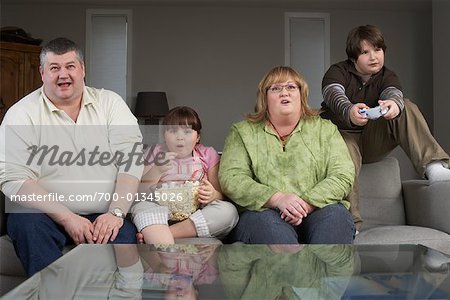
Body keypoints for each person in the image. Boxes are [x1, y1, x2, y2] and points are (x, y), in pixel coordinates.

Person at [0, 37, 143, 277]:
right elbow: (12, 177)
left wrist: (116, 213)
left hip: (104, 213)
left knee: (123, 237)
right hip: (43, 215)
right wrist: (67, 217)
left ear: (83, 70)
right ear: (42, 73)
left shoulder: (110, 103)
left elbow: (131, 160)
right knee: (27, 225)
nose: (63, 74)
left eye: (70, 66)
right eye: (54, 68)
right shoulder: (21, 114)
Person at [320, 24, 450, 230]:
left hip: (374, 141)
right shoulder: (337, 72)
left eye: (378, 50)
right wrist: (349, 110)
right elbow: (333, 95)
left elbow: (393, 93)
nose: (374, 57)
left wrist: (393, 106)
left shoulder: (388, 76)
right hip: (343, 136)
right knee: (344, 147)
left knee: (405, 105)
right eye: (365, 52)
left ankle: (434, 165)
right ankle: (350, 224)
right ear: (354, 57)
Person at [219, 66, 355, 244]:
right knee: (269, 229)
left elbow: (342, 175)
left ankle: (323, 273)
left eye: (291, 87)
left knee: (336, 217)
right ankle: (295, 270)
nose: (284, 93)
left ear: (301, 94)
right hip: (263, 215)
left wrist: (305, 204)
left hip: (318, 209)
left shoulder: (325, 129)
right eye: (275, 88)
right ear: (264, 97)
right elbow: (231, 178)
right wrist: (277, 198)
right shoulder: (242, 132)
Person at [130, 106, 238, 244]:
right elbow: (139, 193)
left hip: (196, 217)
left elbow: (220, 194)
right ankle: (159, 232)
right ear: (164, 135)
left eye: (187, 132)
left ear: (198, 137)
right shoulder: (156, 153)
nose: (180, 137)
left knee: (229, 211)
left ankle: (162, 235)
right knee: (142, 207)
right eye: (173, 131)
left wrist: (212, 194)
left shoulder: (207, 155)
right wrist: (157, 170)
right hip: (161, 215)